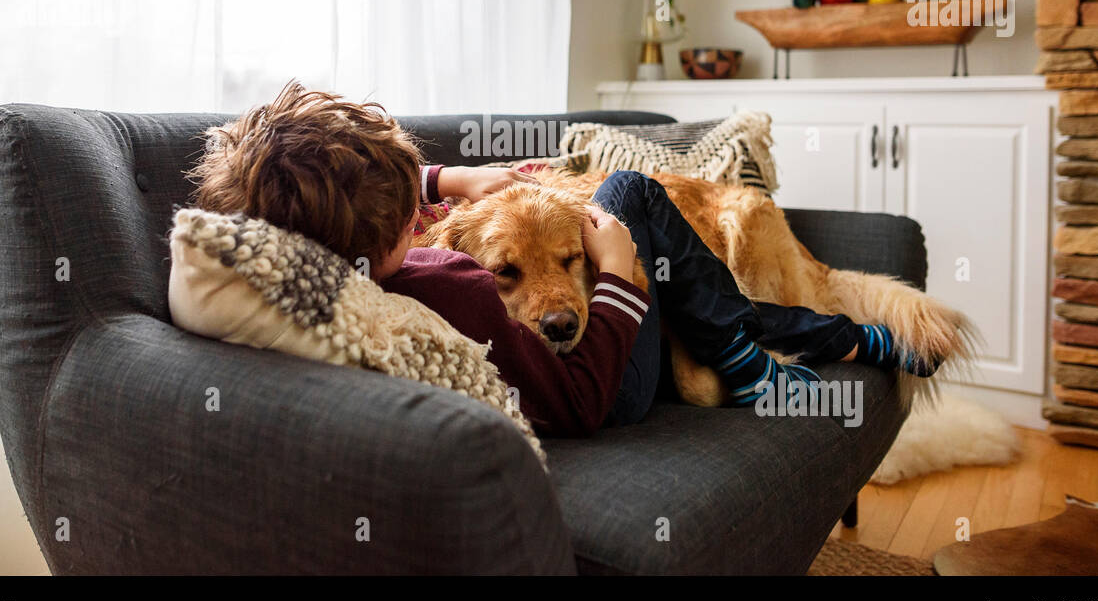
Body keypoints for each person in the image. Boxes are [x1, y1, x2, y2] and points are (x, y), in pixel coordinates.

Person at [189, 82, 935, 437]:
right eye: (510, 271)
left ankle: (837, 334)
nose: (419, 217)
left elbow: (374, 205)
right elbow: (575, 398)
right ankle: (749, 360)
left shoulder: (337, 248)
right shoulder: (452, 276)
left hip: (650, 322)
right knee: (629, 194)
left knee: (677, 269)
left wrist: (446, 179)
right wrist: (608, 271)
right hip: (613, 387)